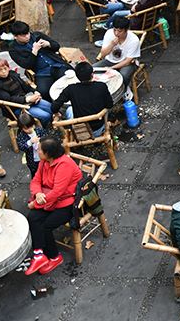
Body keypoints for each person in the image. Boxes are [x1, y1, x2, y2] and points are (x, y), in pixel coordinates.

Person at [24, 136, 83, 276]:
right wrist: (37, 193)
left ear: (48, 154)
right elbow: (35, 180)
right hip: (48, 200)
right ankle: (39, 255)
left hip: (67, 204)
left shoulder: (64, 165)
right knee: (32, 217)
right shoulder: (44, 163)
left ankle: (55, 257)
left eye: (39, 150)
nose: (37, 151)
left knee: (45, 226)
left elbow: (57, 192)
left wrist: (36, 203)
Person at [8, 21, 71, 99]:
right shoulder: (13, 50)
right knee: (43, 92)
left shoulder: (37, 35)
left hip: (56, 64)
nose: (27, 36)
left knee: (71, 78)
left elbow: (57, 46)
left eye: (28, 33)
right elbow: (27, 65)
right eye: (24, 35)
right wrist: (34, 52)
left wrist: (48, 44)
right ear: (15, 36)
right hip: (41, 72)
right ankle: (56, 108)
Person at [50, 62, 113, 137]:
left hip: (80, 129)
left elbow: (54, 106)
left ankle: (74, 127)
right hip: (98, 128)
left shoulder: (71, 89)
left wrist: (56, 112)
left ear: (77, 76)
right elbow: (110, 104)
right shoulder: (101, 86)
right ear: (92, 74)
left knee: (69, 109)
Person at [0, 58, 53, 128]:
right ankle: (43, 129)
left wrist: (35, 92)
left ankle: (51, 123)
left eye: (5, 68)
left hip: (28, 101)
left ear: (8, 67)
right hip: (16, 108)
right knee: (45, 115)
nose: (3, 71)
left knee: (52, 108)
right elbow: (8, 99)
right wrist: (27, 99)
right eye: (0, 70)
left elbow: (25, 86)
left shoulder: (12, 74)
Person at [94, 16, 141, 89]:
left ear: (126, 30)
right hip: (110, 60)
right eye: (115, 30)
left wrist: (111, 68)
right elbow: (103, 54)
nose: (116, 33)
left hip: (127, 63)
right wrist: (112, 44)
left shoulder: (134, 40)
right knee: (92, 70)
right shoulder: (109, 33)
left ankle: (124, 93)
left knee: (123, 76)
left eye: (119, 31)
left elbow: (128, 61)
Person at [16, 112, 48, 178]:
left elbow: (46, 137)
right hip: (32, 159)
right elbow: (21, 147)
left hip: (43, 156)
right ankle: (36, 183)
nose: (29, 129)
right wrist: (30, 142)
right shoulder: (21, 136)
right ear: (21, 128)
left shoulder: (39, 130)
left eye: (31, 126)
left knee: (46, 170)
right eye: (26, 128)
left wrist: (42, 140)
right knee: (35, 173)